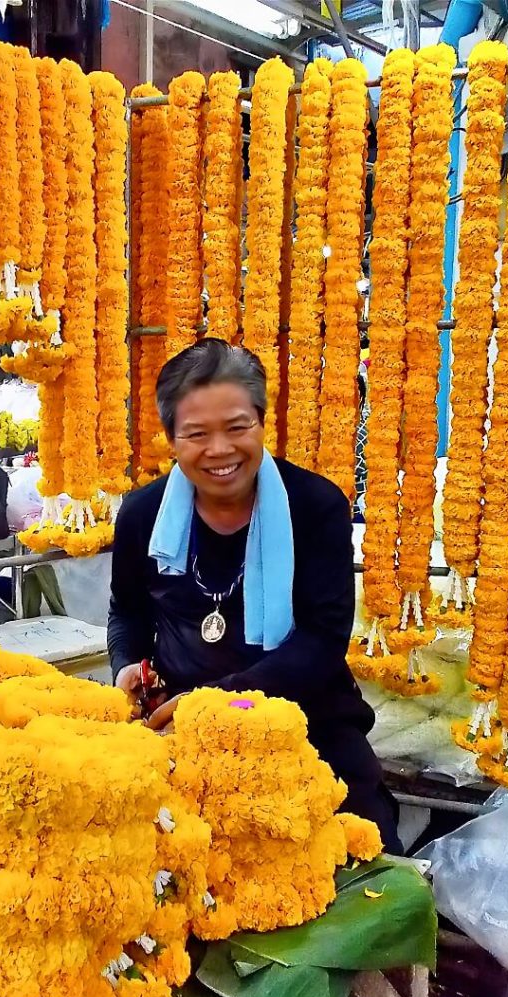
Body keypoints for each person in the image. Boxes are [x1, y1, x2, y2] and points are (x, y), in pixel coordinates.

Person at [108, 338, 401, 853]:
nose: (220, 450)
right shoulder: (141, 515)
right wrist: (127, 664)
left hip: (308, 729)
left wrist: (216, 703)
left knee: (371, 873)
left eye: (238, 428)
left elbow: (321, 642)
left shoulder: (315, 506)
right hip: (184, 740)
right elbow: (128, 611)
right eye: (197, 434)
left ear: (263, 423)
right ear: (172, 439)